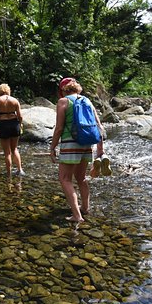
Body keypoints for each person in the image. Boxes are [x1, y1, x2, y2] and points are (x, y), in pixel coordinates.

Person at [49, 77, 105, 223]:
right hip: (87, 143)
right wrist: (100, 149)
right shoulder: (87, 101)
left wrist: (52, 147)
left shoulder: (64, 102)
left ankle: (77, 216)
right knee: (81, 178)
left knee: (65, 179)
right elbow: (99, 126)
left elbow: (59, 128)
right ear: (77, 88)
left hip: (70, 143)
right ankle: (85, 208)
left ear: (63, 90)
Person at [0, 83, 24, 177]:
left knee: (7, 152)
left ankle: (9, 173)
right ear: (8, 91)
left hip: (3, 125)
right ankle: (20, 169)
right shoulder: (15, 100)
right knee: (14, 149)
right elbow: (20, 116)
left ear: (0, 91)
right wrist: (20, 124)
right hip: (14, 124)